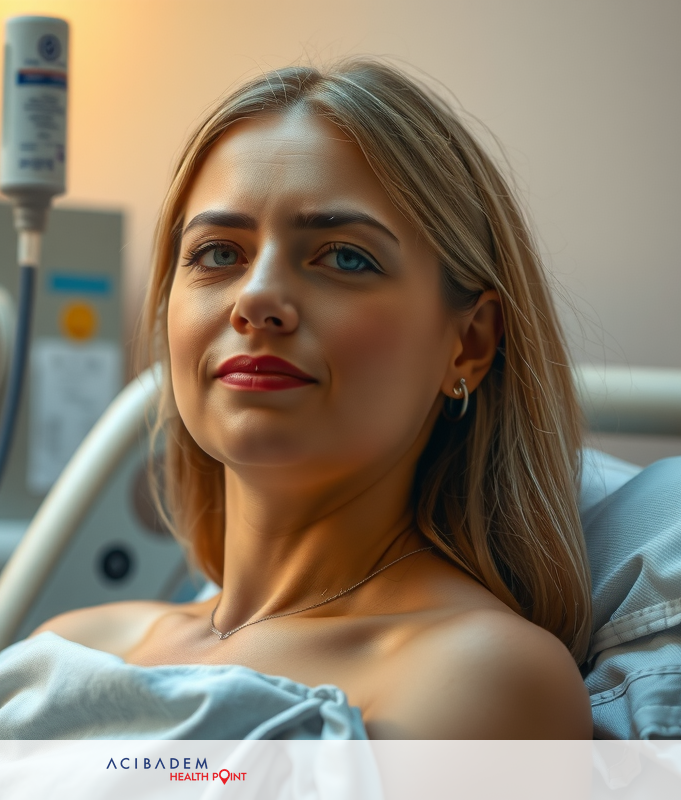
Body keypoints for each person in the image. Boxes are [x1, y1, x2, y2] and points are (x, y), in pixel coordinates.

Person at [38, 58, 592, 739]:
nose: (257, 298)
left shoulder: (484, 678)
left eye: (344, 257)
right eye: (217, 254)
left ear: (469, 343)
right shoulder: (76, 645)